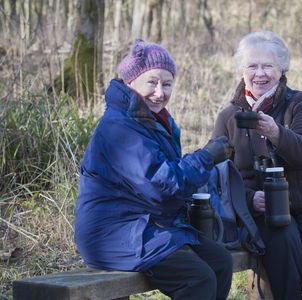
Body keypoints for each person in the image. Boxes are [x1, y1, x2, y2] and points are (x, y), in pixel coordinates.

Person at [75, 39, 235, 300]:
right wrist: (206, 157)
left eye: (167, 83)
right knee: (198, 279)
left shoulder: (156, 121)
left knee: (220, 262)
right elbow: (161, 184)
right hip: (110, 233)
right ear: (131, 82)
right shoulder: (119, 126)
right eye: (152, 82)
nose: (160, 92)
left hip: (146, 225)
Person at [211, 31, 302, 300]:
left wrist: (277, 133)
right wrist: (252, 200)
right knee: (283, 249)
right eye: (252, 66)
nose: (260, 74)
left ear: (282, 69)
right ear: (242, 71)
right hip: (265, 211)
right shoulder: (229, 117)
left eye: (268, 66)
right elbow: (219, 176)